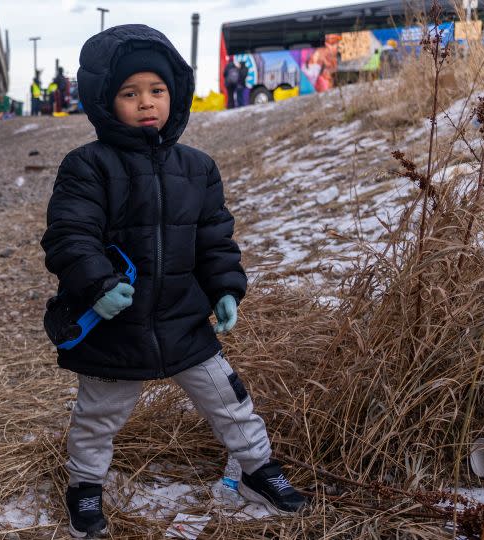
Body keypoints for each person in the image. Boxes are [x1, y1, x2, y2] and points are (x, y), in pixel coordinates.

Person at [41, 24, 308, 538]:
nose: (146, 103)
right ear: (105, 100)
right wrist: (97, 284)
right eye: (130, 93)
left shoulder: (198, 167)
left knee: (230, 400)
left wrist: (227, 288)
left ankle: (258, 470)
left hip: (186, 320)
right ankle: (85, 487)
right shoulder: (87, 166)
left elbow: (215, 238)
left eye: (157, 90)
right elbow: (69, 236)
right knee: (98, 416)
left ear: (175, 94)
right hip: (115, 324)